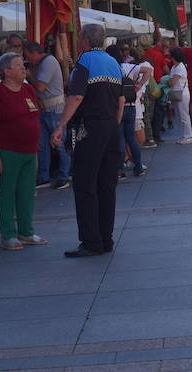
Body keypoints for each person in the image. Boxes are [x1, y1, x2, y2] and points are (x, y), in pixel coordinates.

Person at [52, 24, 123, 257]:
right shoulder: (114, 63)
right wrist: (114, 123)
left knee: (85, 184)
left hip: (88, 128)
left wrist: (61, 124)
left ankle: (91, 241)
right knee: (106, 185)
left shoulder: (84, 62)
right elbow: (122, 99)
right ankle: (106, 238)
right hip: (111, 127)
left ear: (84, 40)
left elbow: (77, 96)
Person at [0, 52, 48, 251]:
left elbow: (33, 116)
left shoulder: (28, 89)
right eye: (19, 65)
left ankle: (26, 232)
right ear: (7, 71)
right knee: (7, 193)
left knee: (27, 192)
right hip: (8, 150)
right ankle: (8, 235)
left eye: (23, 65)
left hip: (29, 150)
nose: (23, 68)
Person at [24, 42, 71, 189]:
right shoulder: (43, 62)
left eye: (27, 56)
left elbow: (40, 86)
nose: (27, 60)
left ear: (32, 53)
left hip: (54, 108)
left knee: (58, 143)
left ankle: (64, 175)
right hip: (44, 108)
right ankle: (44, 176)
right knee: (42, 144)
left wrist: (29, 75)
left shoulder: (48, 62)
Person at [117, 52, 148, 177]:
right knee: (131, 139)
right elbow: (148, 70)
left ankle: (120, 170)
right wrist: (139, 85)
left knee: (120, 140)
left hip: (119, 107)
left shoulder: (111, 68)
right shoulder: (129, 67)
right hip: (132, 107)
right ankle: (138, 166)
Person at [167, 48, 192, 144]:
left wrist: (166, 82)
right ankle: (183, 135)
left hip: (182, 93)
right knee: (179, 115)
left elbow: (172, 82)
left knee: (183, 114)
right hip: (177, 93)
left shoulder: (179, 68)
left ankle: (188, 135)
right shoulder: (175, 67)